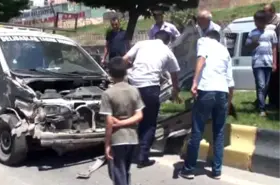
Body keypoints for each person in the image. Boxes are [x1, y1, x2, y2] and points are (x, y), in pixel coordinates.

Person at [179, 30, 235, 180]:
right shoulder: (225, 51)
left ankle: (189, 169)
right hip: (222, 93)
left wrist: (195, 81)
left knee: (197, 130)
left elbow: (201, 59)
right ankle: (217, 171)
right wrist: (229, 103)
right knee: (219, 133)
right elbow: (230, 81)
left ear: (208, 37)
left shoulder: (204, 41)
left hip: (206, 90)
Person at [122, 30, 180, 168]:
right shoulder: (167, 50)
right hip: (150, 88)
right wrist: (175, 91)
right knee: (148, 122)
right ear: (168, 41)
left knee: (130, 119)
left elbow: (124, 59)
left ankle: (123, 153)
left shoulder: (142, 43)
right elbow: (175, 73)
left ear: (154, 37)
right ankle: (143, 157)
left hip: (132, 86)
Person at [99, 56, 144, 185]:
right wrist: (125, 122)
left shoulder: (108, 94)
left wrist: (107, 144)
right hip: (132, 138)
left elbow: (109, 123)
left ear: (110, 73)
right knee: (125, 171)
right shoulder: (134, 90)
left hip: (117, 139)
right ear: (126, 72)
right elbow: (139, 115)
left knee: (118, 172)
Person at [246, 10, 277, 116]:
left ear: (265, 21)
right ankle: (262, 109)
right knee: (261, 85)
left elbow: (274, 47)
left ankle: (260, 104)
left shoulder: (271, 33)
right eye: (256, 21)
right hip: (257, 63)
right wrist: (253, 44)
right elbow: (247, 47)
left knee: (266, 86)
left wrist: (274, 63)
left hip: (268, 62)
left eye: (260, 21)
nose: (258, 23)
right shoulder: (252, 32)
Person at [264, 3, 280, 109]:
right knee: (270, 79)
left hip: (277, 52)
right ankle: (272, 101)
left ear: (272, 11)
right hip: (268, 53)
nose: (265, 14)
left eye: (267, 11)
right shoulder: (265, 22)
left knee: (276, 79)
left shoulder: (278, 21)